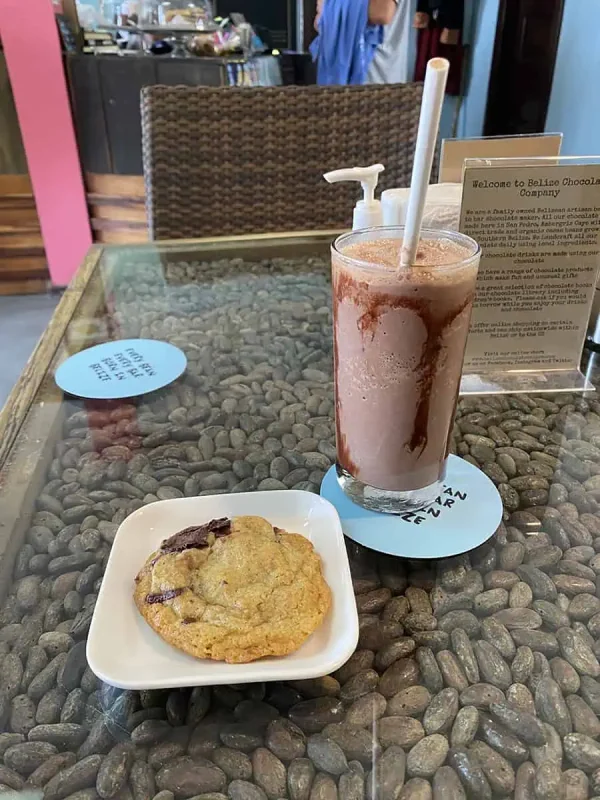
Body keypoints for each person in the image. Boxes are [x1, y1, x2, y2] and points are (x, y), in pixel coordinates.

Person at [311, 0, 398, 85]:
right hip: (346, 82)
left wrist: (329, 7)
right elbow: (319, 21)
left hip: (379, 79)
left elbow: (382, 12)